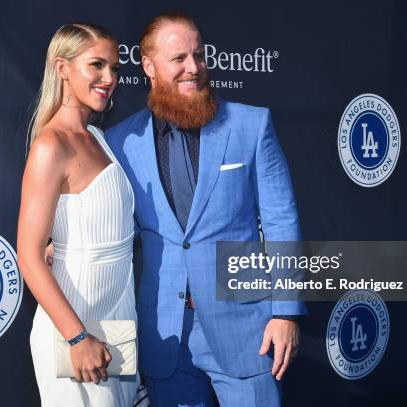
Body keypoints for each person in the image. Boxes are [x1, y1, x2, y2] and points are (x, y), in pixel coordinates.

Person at [104, 12, 306, 406]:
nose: (193, 68)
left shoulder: (251, 124)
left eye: (199, 55)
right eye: (178, 58)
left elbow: (281, 221)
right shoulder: (120, 141)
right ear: (148, 66)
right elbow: (111, 224)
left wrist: (286, 314)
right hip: (165, 335)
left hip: (248, 331)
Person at [16, 23, 139, 407]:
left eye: (115, 69)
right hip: (75, 323)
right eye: (96, 65)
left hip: (118, 317)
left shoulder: (97, 137)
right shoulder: (51, 145)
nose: (109, 78)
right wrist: (77, 337)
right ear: (63, 68)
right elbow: (29, 256)